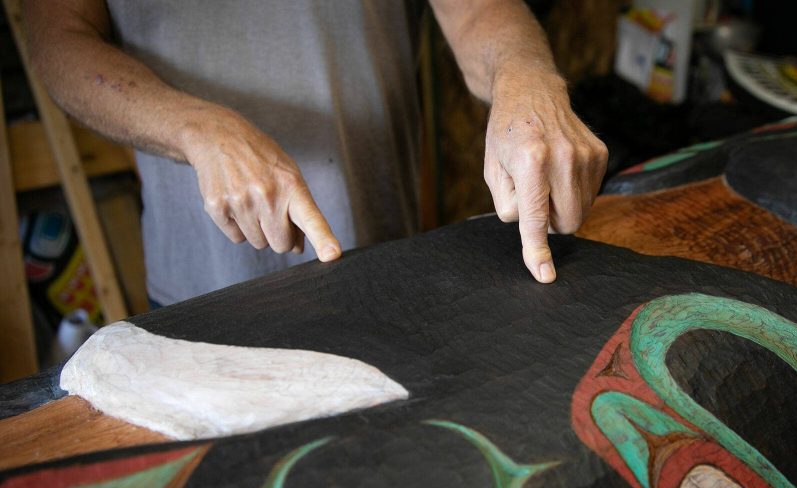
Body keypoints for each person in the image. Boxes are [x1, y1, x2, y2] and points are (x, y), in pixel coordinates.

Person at [26, 0, 608, 305]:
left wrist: (527, 78)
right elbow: (59, 39)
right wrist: (197, 129)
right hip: (204, 285)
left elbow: (479, 9)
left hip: (391, 258)